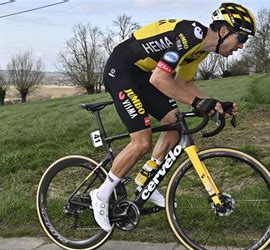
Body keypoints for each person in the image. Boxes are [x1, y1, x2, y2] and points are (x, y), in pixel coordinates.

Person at [91, 2, 256, 231]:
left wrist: (215, 104)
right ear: (224, 31)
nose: (241, 46)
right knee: (142, 141)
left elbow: (182, 83)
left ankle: (144, 181)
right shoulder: (190, 35)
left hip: (142, 74)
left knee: (174, 124)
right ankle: (101, 195)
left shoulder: (200, 50)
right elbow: (160, 79)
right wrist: (198, 103)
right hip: (122, 71)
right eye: (242, 39)